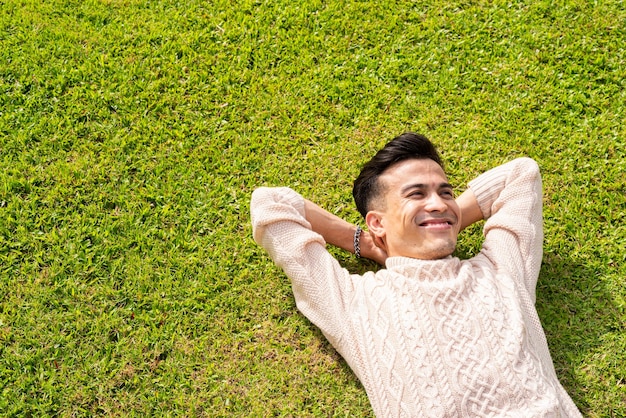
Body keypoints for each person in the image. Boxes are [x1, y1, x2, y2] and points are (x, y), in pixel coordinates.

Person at [250, 132, 582, 417]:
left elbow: (520, 175)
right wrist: (367, 243)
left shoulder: (502, 270)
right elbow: (271, 203)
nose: (439, 202)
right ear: (377, 221)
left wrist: (435, 222)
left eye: (446, 192)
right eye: (416, 194)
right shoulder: (353, 303)